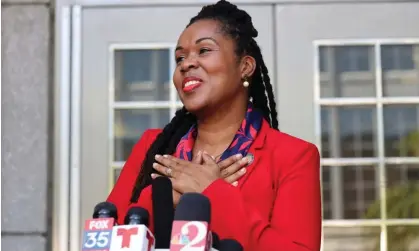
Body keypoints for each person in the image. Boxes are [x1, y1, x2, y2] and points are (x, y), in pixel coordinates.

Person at [107, 1, 321, 250]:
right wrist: (164, 198)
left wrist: (212, 192)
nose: (186, 64)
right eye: (180, 58)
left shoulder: (293, 156)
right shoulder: (152, 147)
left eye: (204, 50)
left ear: (245, 67)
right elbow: (107, 237)